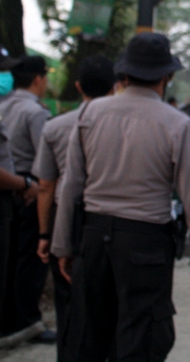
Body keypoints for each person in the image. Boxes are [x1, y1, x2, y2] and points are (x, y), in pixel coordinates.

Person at [50, 33, 190, 361]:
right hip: (146, 246)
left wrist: (63, 246)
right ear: (167, 76)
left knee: (87, 335)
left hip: (93, 240)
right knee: (141, 339)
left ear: (124, 74)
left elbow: (71, 185)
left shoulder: (90, 114)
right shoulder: (176, 124)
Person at [31, 55, 116, 357]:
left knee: (69, 301)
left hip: (64, 219)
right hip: (107, 221)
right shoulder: (122, 126)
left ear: (78, 86)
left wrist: (46, 235)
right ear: (115, 86)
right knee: (108, 301)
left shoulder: (56, 127)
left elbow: (46, 186)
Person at [0, 56, 54, 344]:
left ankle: (8, 319)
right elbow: (47, 158)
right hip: (30, 187)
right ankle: (27, 321)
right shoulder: (35, 112)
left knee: (9, 258)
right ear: (37, 79)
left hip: (9, 188)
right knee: (31, 257)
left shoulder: (3, 105)